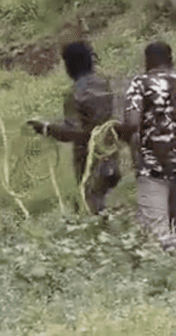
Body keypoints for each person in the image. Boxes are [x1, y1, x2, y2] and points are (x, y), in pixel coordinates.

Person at [115, 41, 176, 253]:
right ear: (171, 59)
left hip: (152, 167)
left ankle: (163, 269)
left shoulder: (140, 84)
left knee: (157, 236)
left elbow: (132, 124)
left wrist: (118, 132)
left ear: (147, 61)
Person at [27, 41, 120, 214]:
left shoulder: (76, 93)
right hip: (111, 157)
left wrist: (46, 128)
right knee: (109, 206)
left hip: (90, 162)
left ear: (69, 65)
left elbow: (74, 132)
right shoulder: (105, 84)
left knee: (90, 209)